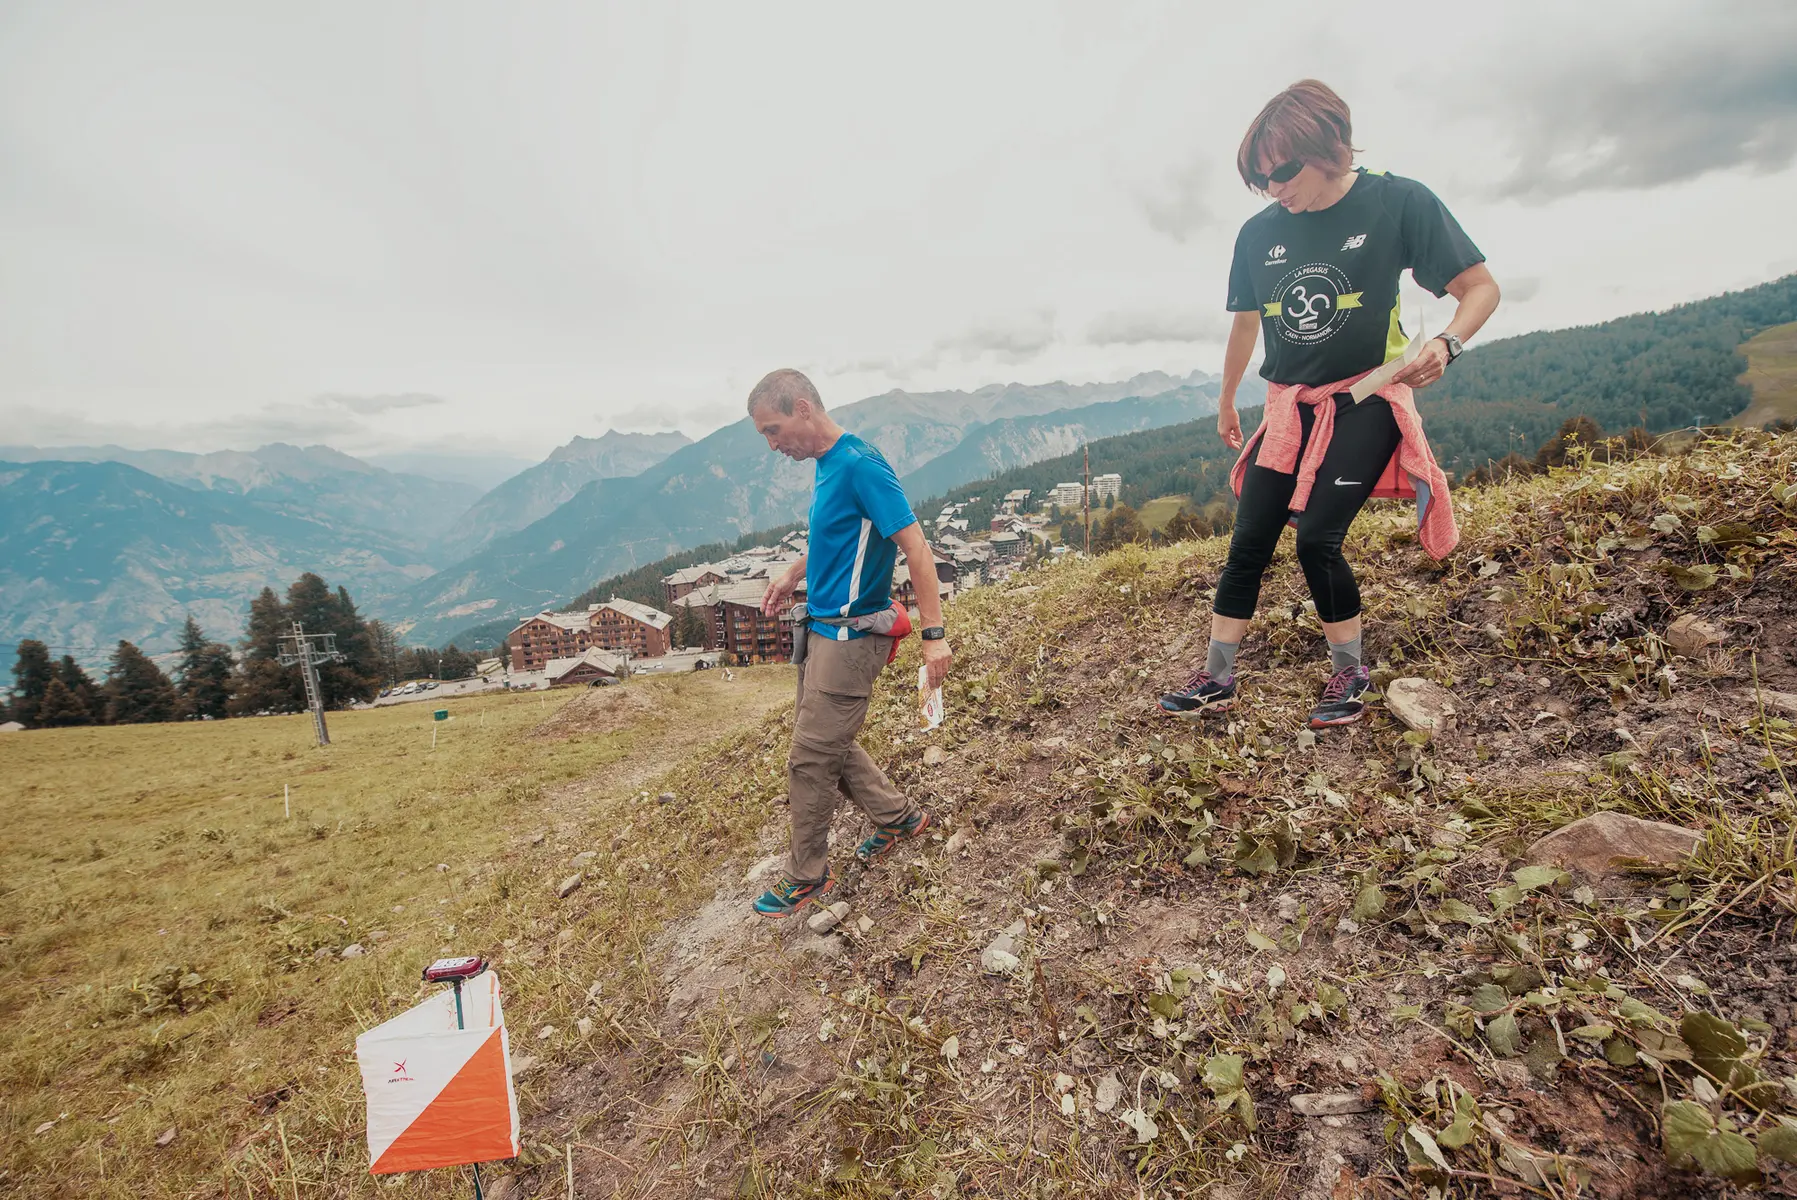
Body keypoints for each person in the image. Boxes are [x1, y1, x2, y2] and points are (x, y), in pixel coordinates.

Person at [1160, 79, 1501, 730]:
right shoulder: (1258, 234)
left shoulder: (1398, 202)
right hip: (1288, 406)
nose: (1272, 188)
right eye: (1259, 178)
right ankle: (1216, 677)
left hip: (1366, 396)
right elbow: (1244, 324)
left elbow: (1478, 287)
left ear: (1329, 147)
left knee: (1317, 538)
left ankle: (1349, 671)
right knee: (1248, 541)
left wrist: (1448, 344)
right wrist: (1229, 399)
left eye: (1281, 171)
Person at [746, 369, 954, 918]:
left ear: (802, 408)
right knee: (826, 743)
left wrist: (934, 637)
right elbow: (835, 537)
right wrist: (795, 572)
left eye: (773, 429)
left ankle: (807, 875)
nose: (772, 445)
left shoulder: (861, 465)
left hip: (850, 639)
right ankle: (898, 819)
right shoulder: (826, 465)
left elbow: (917, 548)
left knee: (809, 760)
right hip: (820, 631)